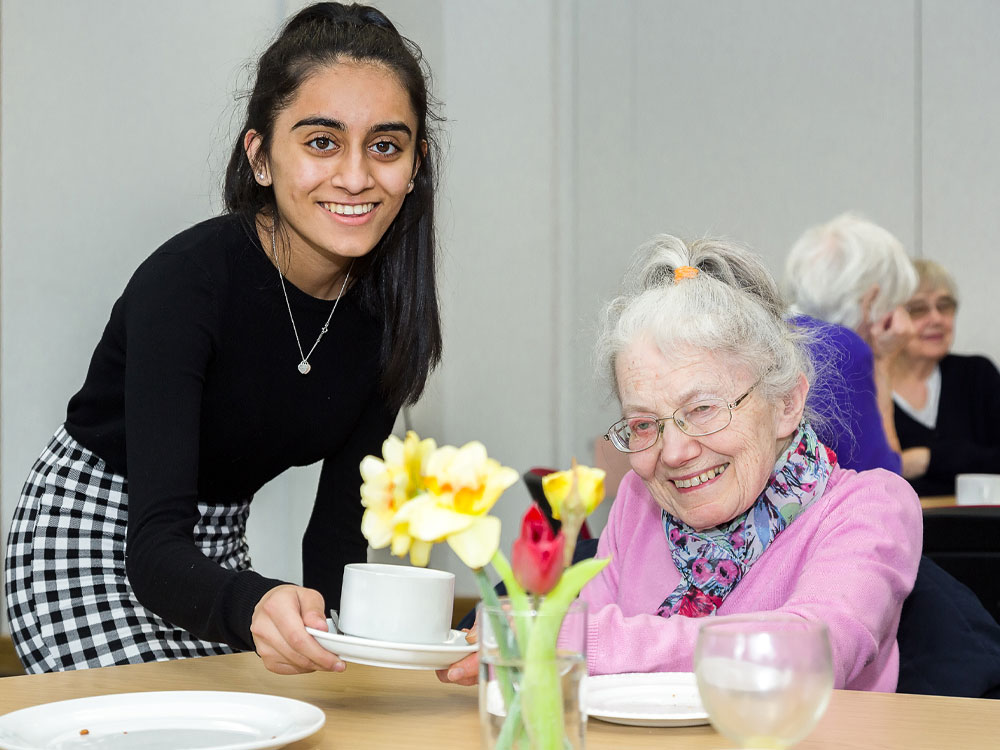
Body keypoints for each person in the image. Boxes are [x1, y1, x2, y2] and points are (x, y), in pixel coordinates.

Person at [4, 2, 441, 676]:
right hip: (95, 537)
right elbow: (153, 548)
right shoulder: (187, 283)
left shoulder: (388, 321)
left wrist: (344, 652)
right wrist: (257, 601)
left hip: (209, 558)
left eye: (386, 145)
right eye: (321, 141)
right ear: (261, 156)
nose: (356, 176)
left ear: (413, 168)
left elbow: (336, 533)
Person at [578, 236, 920, 689]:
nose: (675, 452)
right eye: (643, 424)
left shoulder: (870, 508)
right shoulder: (637, 503)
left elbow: (811, 657)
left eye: (703, 409)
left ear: (785, 404)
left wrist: (585, 641)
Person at [783, 213, 918, 474]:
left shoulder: (771, 330)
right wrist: (883, 363)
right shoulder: (843, 349)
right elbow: (882, 481)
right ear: (873, 298)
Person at [891, 260, 1000, 495]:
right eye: (918, 309)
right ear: (890, 319)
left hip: (983, 528)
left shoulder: (977, 375)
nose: (936, 319)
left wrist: (928, 459)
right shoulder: (868, 389)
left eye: (945, 306)